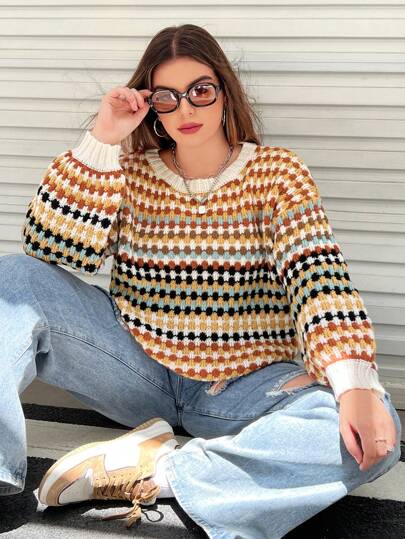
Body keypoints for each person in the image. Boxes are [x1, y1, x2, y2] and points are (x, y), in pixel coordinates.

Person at [0, 23, 402, 539]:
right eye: (167, 97)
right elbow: (50, 251)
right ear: (152, 105)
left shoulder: (277, 174)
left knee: (373, 431)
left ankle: (157, 472)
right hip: (136, 370)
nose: (185, 108)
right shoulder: (130, 171)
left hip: (240, 387)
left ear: (225, 92)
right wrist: (102, 138)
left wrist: (354, 382)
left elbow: (317, 278)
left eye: (201, 91)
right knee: (15, 278)